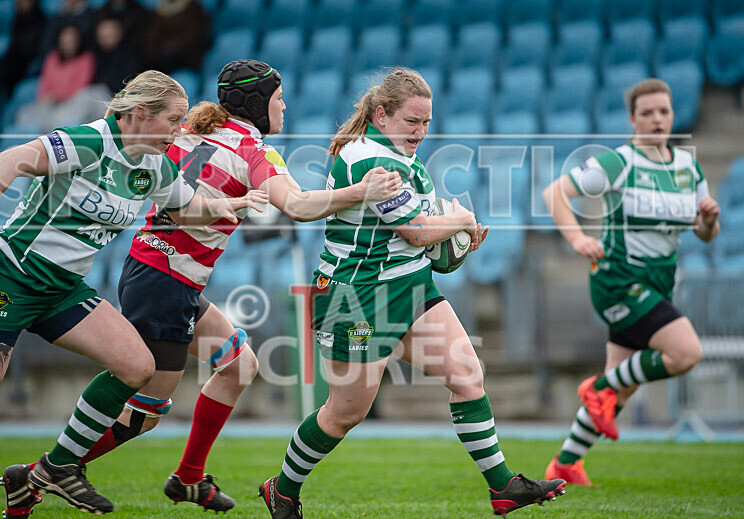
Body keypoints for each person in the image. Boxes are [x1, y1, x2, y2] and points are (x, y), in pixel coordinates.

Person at [0, 59, 402, 517]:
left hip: (159, 273)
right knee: (145, 411)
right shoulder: (252, 149)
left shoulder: (187, 127)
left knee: (239, 365)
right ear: (258, 104)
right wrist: (361, 191)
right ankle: (38, 474)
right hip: (166, 282)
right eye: (278, 98)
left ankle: (188, 476)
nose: (285, 106)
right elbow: (300, 206)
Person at [0, 69, 267, 516]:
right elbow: (6, 162)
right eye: (173, 120)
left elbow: (187, 208)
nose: (179, 131)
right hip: (8, 275)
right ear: (140, 113)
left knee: (137, 367)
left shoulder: (154, 164)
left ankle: (58, 467)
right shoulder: (89, 142)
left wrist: (230, 204)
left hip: (61, 289)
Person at [257, 67, 567, 519]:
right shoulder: (370, 159)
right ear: (381, 115)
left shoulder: (405, 159)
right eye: (412, 121)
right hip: (355, 297)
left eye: (426, 122)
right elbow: (417, 231)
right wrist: (459, 222)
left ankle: (503, 487)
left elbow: (420, 242)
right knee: (344, 413)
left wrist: (456, 243)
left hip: (410, 285)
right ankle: (282, 489)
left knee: (467, 376)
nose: (420, 131)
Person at [542, 78, 720, 486]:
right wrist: (577, 238)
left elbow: (706, 233)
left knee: (623, 388)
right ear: (632, 119)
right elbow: (555, 193)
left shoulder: (687, 167)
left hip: (658, 282)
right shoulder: (619, 162)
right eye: (647, 112)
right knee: (685, 352)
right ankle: (597, 386)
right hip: (619, 280)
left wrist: (709, 221)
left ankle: (565, 464)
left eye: (664, 111)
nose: (657, 119)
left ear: (673, 115)